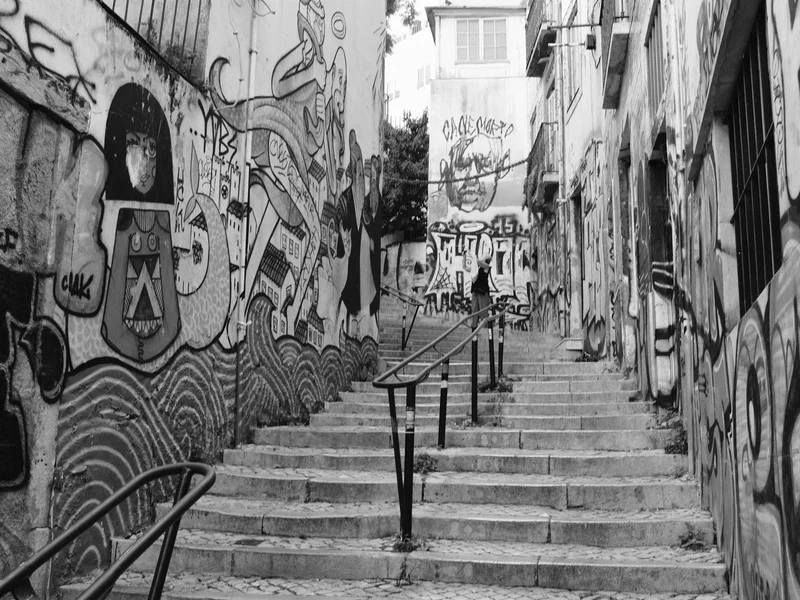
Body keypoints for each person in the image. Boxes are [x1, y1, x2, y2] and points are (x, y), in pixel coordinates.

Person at [470, 252, 492, 328]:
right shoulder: (478, 267)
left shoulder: (486, 266)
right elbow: (467, 268)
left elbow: (477, 261)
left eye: (484, 256)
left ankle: (484, 328)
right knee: (474, 310)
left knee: (483, 312)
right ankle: (474, 327)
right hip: (476, 290)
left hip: (483, 291)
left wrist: (472, 255)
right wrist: (464, 256)